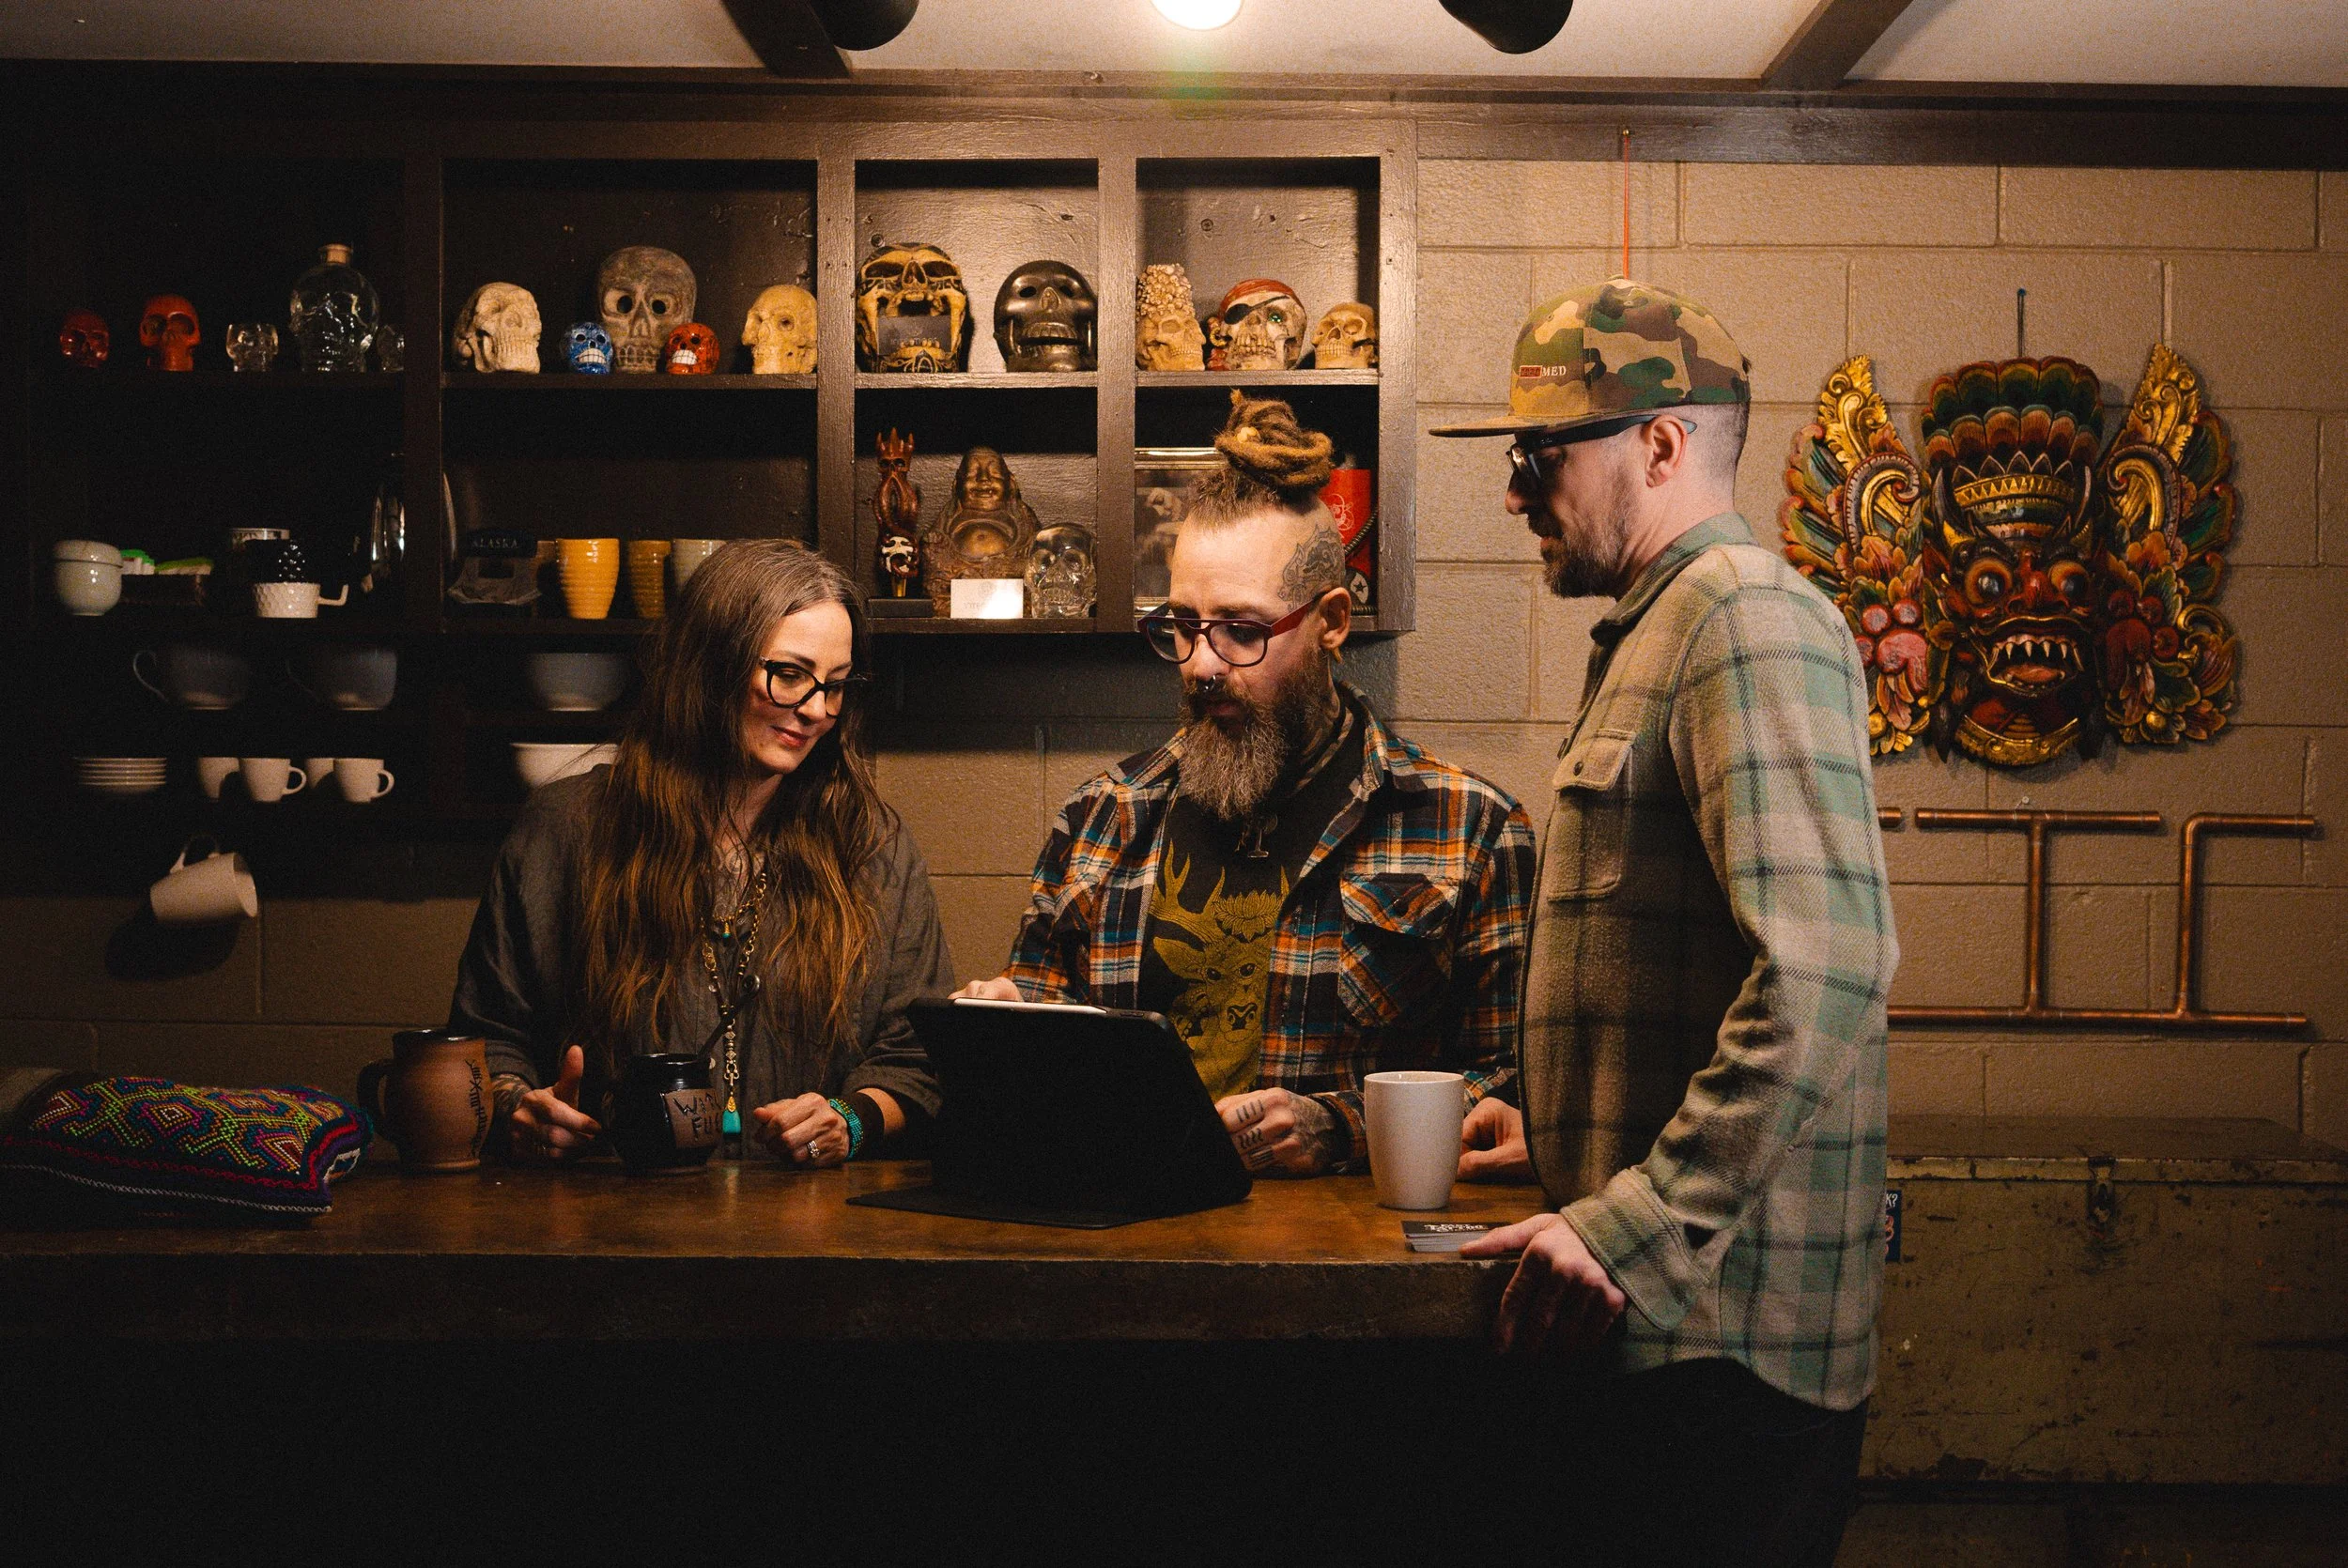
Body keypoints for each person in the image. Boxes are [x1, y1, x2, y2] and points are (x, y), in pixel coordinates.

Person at [1429, 279, 1899, 1565]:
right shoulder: (1662, 628)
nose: (1516, 488)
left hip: (1722, 1353)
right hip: (1671, 1340)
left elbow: (1831, 965)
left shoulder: (1741, 618)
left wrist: (1633, 1223)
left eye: (1540, 452)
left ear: (1662, 443)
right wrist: (1573, 1115)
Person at [958, 394, 1535, 1176]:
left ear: (1331, 622)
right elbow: (1042, 1064)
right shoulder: (1100, 819)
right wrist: (1007, 1030)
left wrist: (1343, 1127)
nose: (1200, 663)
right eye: (1184, 624)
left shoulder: (1471, 830)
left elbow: (1513, 1086)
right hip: (1125, 1248)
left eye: (1241, 630)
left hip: (1341, 1265)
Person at [450, 540, 953, 1168]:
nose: (818, 710)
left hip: (815, 1232)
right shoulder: (567, 830)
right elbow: (485, 1043)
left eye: (837, 686)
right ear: (710, 664)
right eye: (791, 674)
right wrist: (518, 1107)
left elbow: (916, 1061)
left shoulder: (871, 844)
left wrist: (849, 1120)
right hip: (609, 1224)